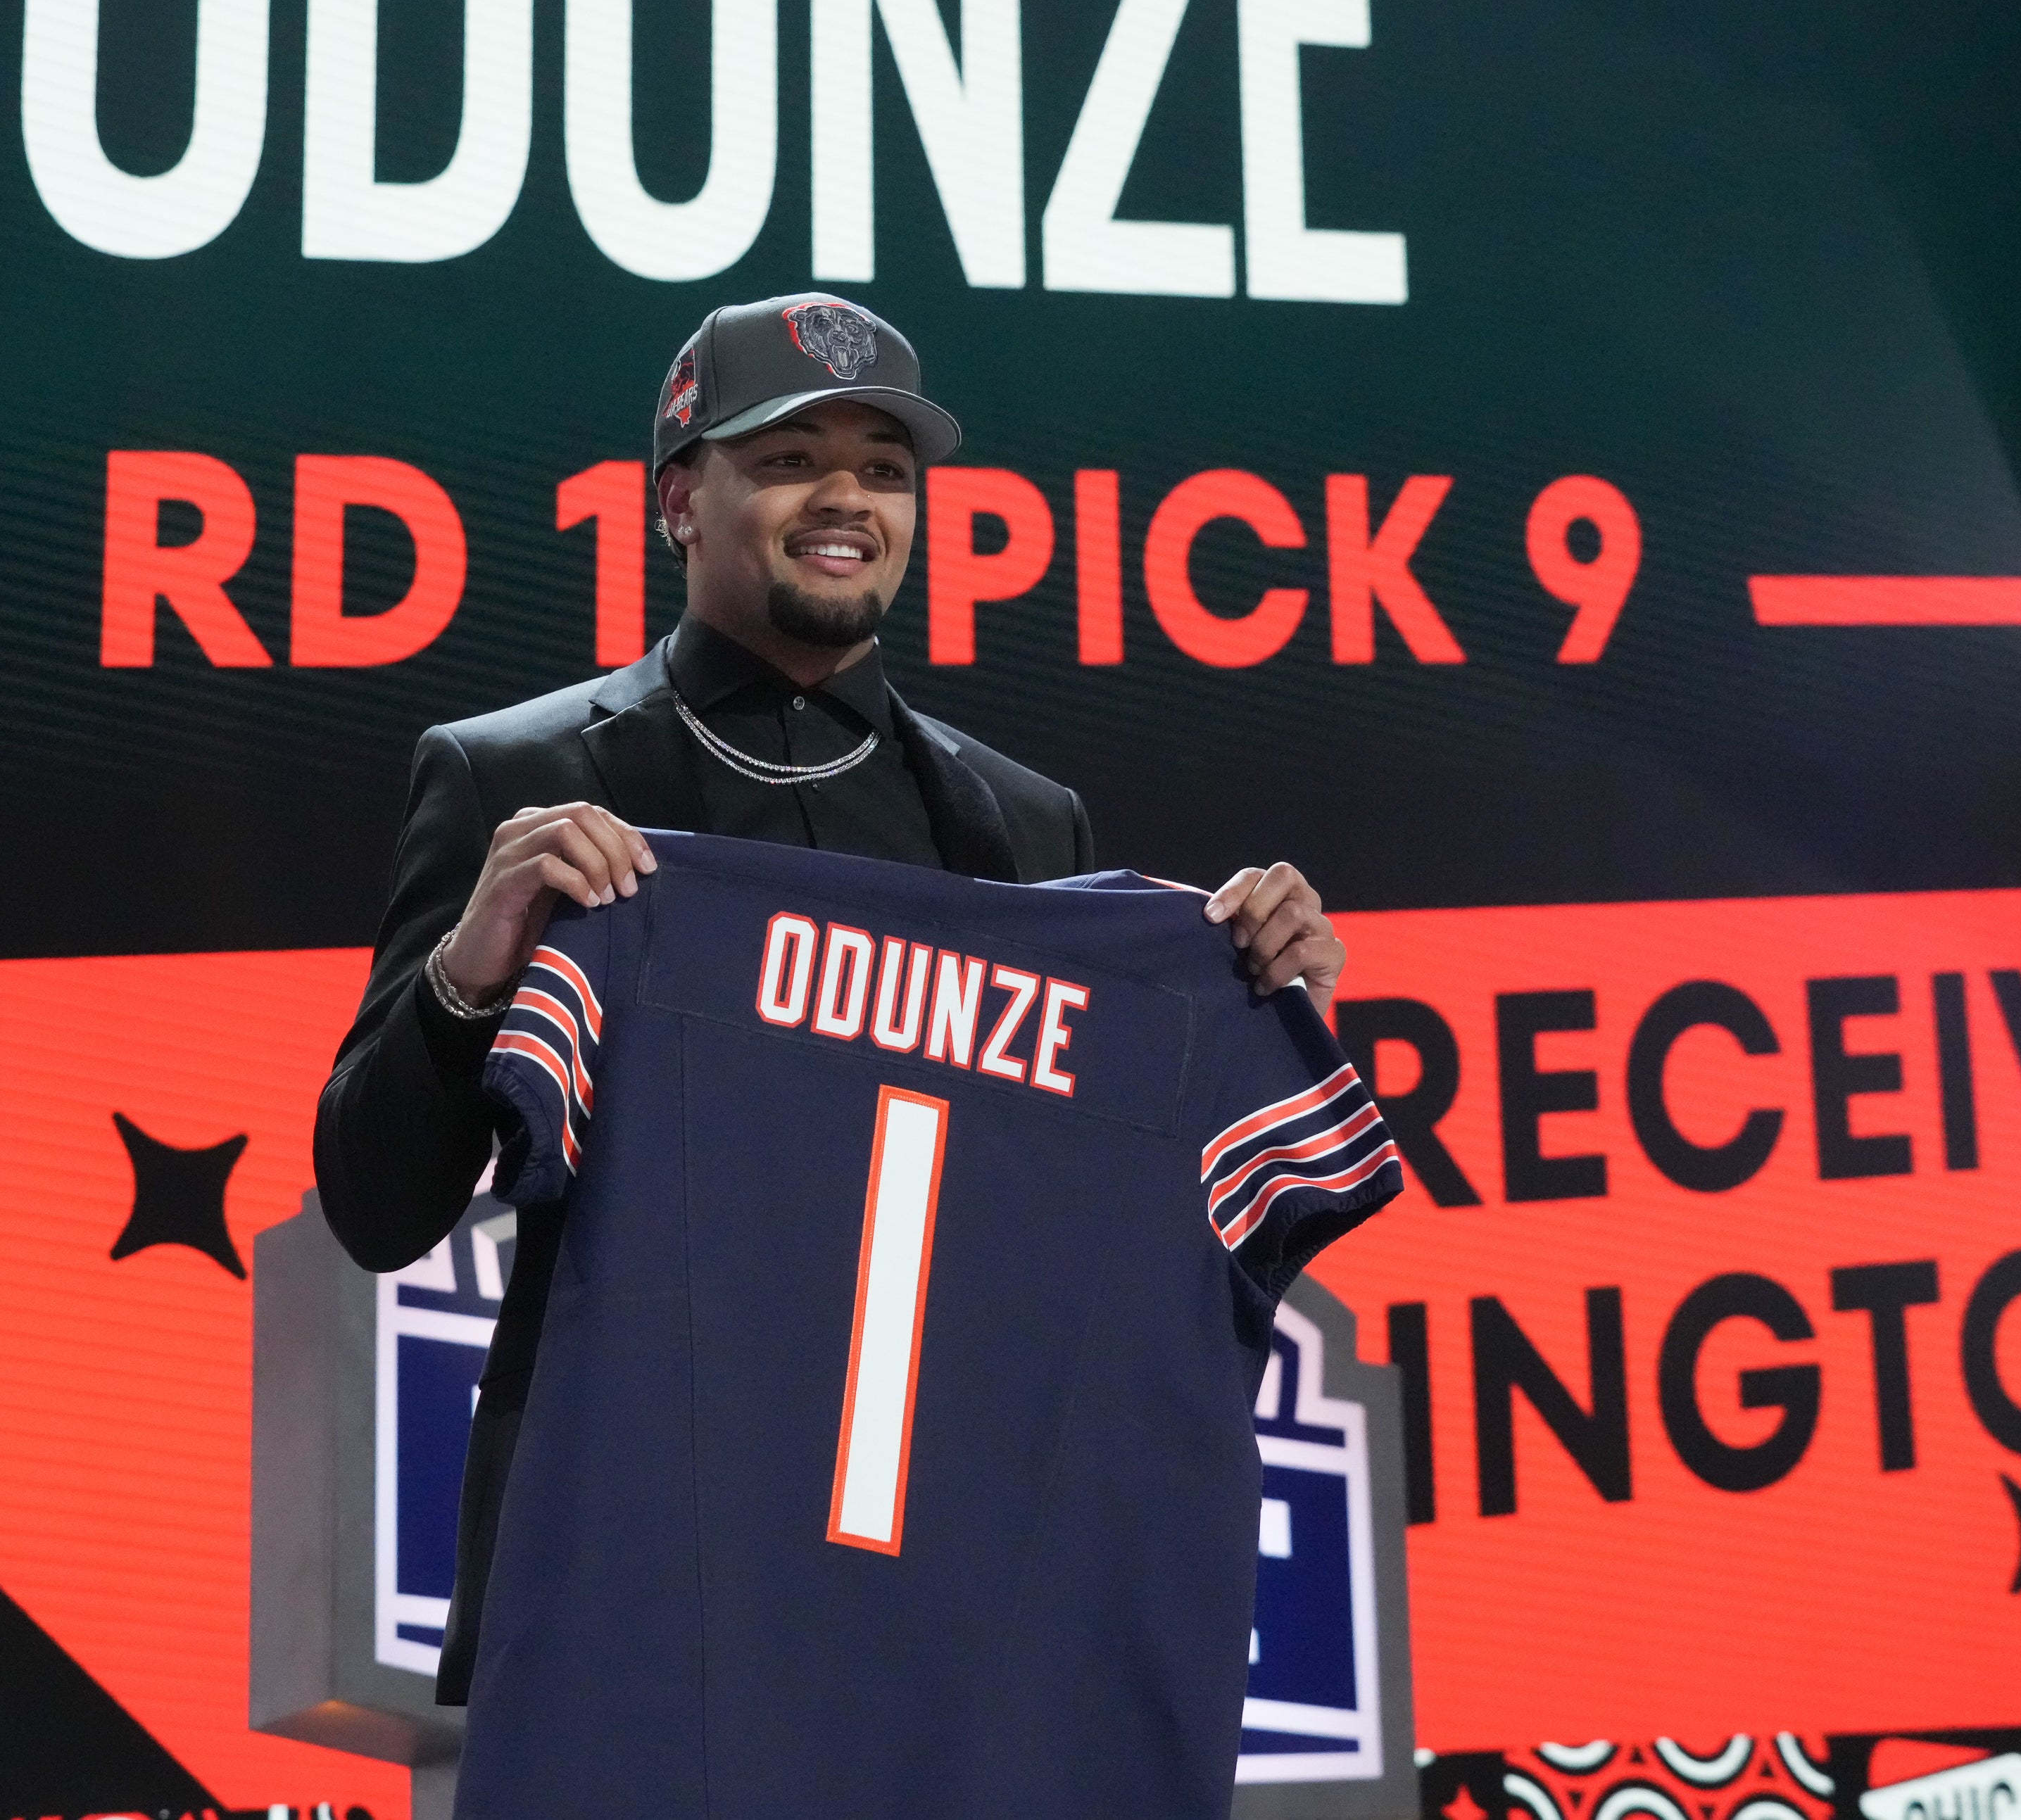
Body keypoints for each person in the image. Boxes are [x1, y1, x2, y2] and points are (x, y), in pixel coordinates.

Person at [313, 290, 1348, 1702]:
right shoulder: (522, 779)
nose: (845, 497)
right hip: (636, 1581)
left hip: (943, 1597)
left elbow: (1098, 1235)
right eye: (789, 459)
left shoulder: (1024, 827)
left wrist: (1257, 1010)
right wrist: (468, 969)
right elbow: (376, 1205)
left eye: (884, 466)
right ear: (681, 498)